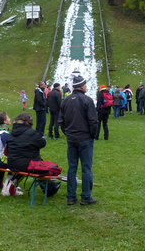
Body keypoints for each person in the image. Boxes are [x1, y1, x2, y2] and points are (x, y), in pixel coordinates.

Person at [57, 75, 98, 205]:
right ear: (82, 86)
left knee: (72, 168)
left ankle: (71, 196)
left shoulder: (66, 101)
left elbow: (61, 122)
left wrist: (68, 133)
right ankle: (86, 196)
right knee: (86, 168)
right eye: (85, 85)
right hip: (84, 138)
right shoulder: (87, 100)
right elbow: (93, 121)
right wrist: (93, 135)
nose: (86, 87)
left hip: (71, 138)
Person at [6, 112, 46, 196]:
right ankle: (50, 189)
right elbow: (42, 143)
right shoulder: (31, 132)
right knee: (41, 168)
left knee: (31, 165)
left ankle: (10, 186)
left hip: (12, 162)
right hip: (27, 164)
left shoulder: (12, 132)